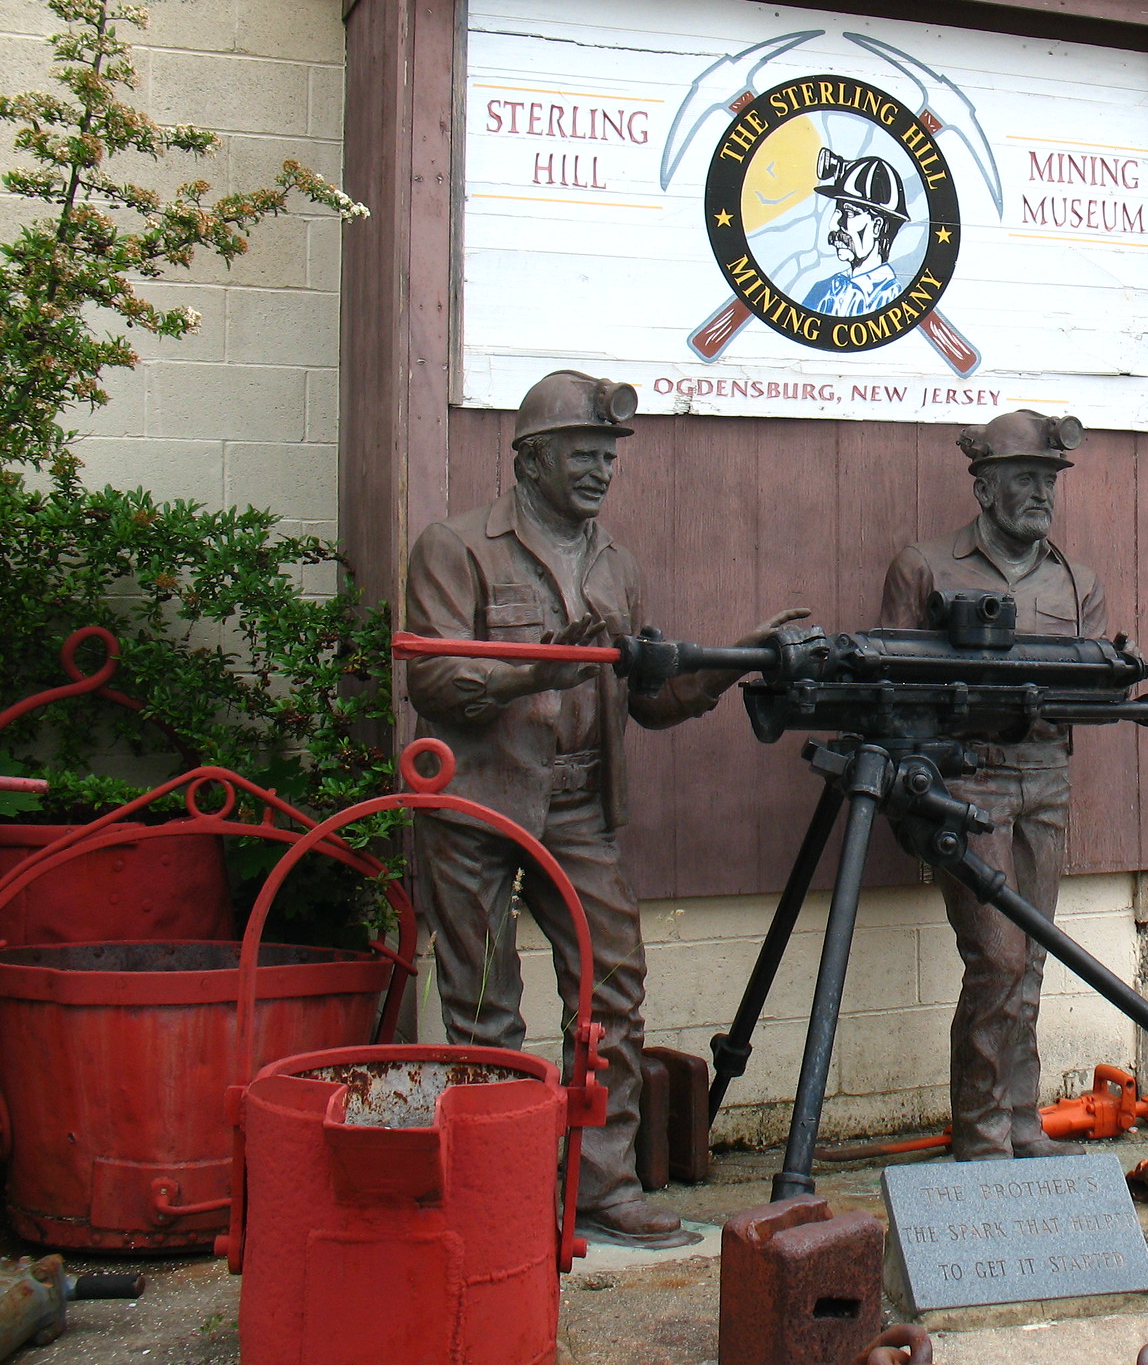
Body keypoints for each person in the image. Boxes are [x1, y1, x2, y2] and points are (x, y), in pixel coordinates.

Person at [405, 369, 806, 1245]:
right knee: (483, 1002)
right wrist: (533, 671)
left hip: (581, 806)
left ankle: (600, 1185)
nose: (600, 472)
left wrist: (730, 661)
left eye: (608, 458)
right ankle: (499, 1187)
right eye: (582, 455)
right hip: (478, 806)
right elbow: (431, 679)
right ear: (529, 460)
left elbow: (646, 702)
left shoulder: (617, 564)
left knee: (611, 989)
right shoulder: (455, 546)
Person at [878, 409, 1105, 1161]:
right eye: (1025, 479)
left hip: (1046, 779)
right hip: (969, 782)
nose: (1041, 494)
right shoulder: (925, 568)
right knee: (997, 958)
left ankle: (1021, 1121)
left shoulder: (1077, 582)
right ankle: (981, 1131)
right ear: (984, 488)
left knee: (1031, 959)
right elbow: (891, 691)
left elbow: (1094, 690)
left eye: (1049, 480)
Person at [803, 149, 909, 316]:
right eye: (837, 211)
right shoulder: (822, 290)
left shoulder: (893, 299)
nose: (833, 224)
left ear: (877, 226)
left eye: (850, 213)